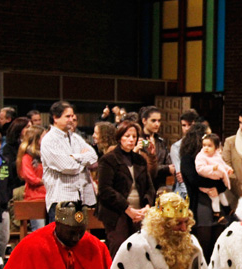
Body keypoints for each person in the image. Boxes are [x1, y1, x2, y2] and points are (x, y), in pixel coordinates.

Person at [97, 121, 154, 258]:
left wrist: (146, 206)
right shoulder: (108, 159)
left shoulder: (140, 159)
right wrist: (128, 209)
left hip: (139, 211)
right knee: (120, 247)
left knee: (142, 250)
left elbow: (149, 187)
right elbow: (105, 190)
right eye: (127, 136)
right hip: (117, 211)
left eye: (134, 137)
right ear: (119, 137)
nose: (131, 139)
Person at [41, 101, 98, 222]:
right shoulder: (49, 140)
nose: (72, 119)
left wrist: (75, 157)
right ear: (55, 118)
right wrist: (82, 159)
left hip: (80, 198)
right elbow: (68, 167)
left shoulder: (75, 137)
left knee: (78, 238)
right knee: (62, 238)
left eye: (72, 116)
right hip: (61, 200)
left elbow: (93, 156)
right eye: (68, 116)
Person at [180, 122, 227, 260]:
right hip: (200, 204)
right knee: (203, 248)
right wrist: (216, 184)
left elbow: (225, 179)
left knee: (218, 246)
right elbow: (195, 180)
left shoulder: (214, 157)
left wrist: (217, 187)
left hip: (217, 202)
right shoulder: (188, 158)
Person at [195, 134, 233, 220]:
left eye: (209, 146)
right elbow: (200, 169)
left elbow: (222, 165)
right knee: (215, 197)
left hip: (217, 181)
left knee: (222, 195)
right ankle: (217, 214)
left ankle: (228, 210)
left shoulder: (217, 155)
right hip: (207, 183)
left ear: (216, 147)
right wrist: (211, 168)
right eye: (204, 145)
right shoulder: (201, 156)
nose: (206, 148)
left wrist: (228, 169)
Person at [16, 126, 47, 231]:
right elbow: (30, 177)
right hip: (35, 198)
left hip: (49, 197)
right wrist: (47, 181)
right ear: (37, 139)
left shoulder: (46, 155)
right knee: (39, 230)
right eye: (44, 136)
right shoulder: (27, 157)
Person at [139, 106, 174, 191]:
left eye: (159, 120)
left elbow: (170, 165)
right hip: (143, 187)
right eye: (153, 120)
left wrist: (166, 168)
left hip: (160, 186)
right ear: (144, 121)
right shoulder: (138, 141)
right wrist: (165, 168)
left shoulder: (161, 142)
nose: (157, 124)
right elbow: (143, 169)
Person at [170, 110, 199, 198]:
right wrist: (187, 196)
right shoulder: (176, 147)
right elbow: (181, 176)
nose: (187, 128)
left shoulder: (205, 144)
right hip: (184, 190)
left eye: (190, 125)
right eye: (184, 125)